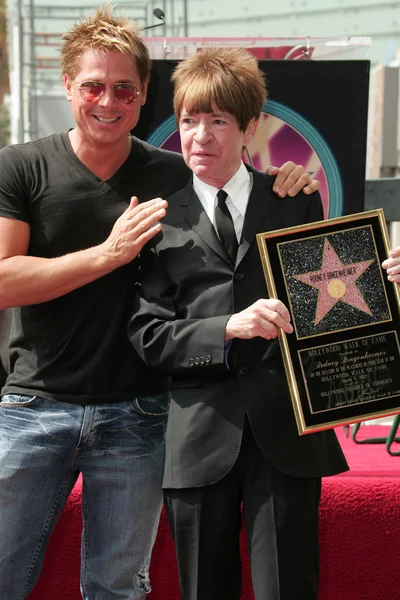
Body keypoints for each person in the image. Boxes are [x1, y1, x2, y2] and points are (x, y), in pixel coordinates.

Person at [0, 6, 318, 600]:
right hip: (52, 408)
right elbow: (10, 283)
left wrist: (372, 277)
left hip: (158, 419)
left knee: (121, 585)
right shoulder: (40, 171)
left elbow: (324, 289)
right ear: (68, 86)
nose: (109, 100)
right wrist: (111, 255)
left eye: (125, 88)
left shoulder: (233, 188)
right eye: (94, 85)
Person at [128, 47, 349, 600]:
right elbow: (148, 336)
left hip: (287, 432)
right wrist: (228, 326)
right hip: (198, 437)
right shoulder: (157, 221)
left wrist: (378, 284)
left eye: (218, 121)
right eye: (188, 121)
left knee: (289, 588)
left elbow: (333, 307)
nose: (199, 136)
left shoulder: (295, 201)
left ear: (250, 128)